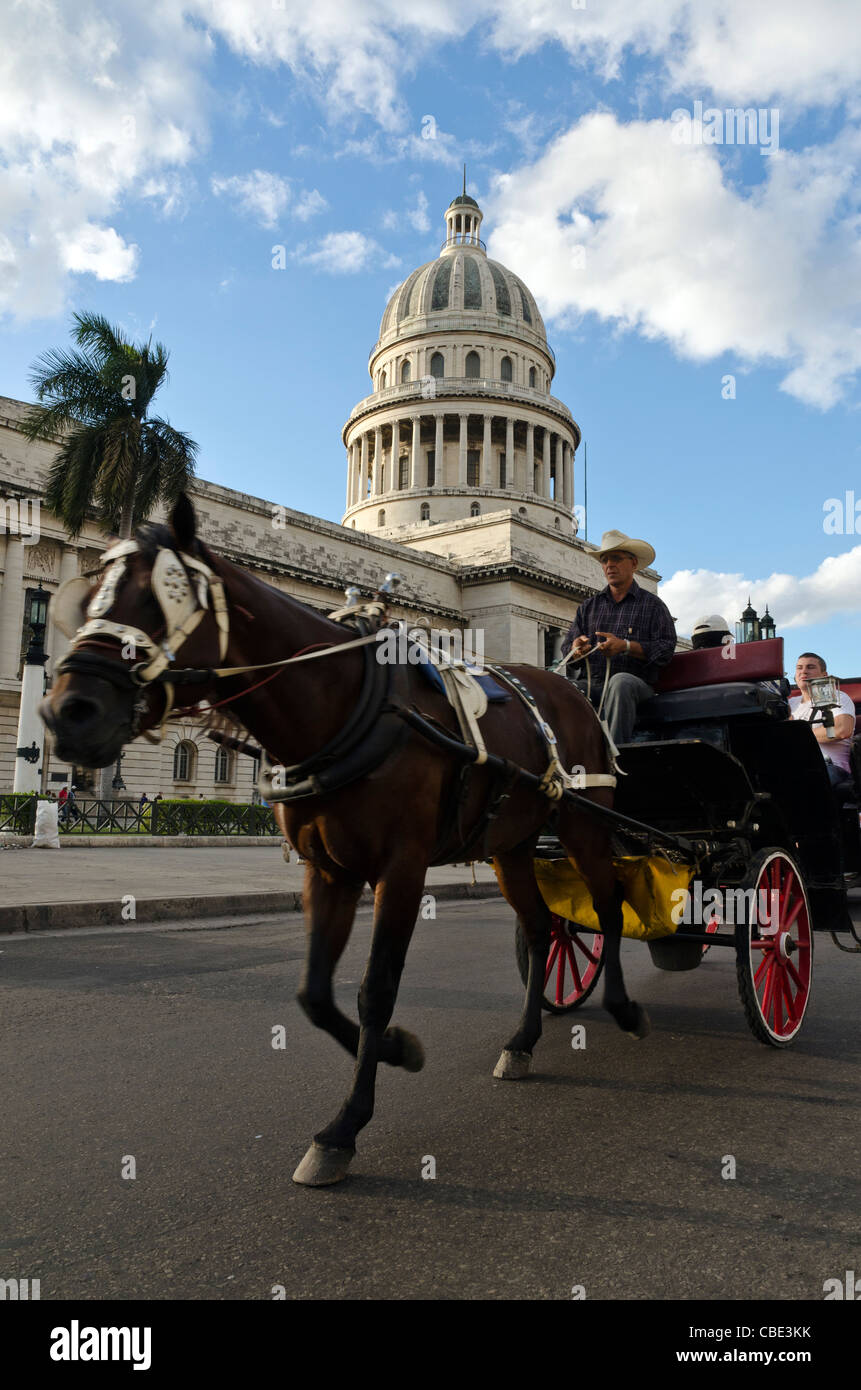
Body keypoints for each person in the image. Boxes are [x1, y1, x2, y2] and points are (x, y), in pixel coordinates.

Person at [561, 529, 676, 744]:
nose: (609, 565)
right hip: (591, 683)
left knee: (620, 683)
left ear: (633, 563)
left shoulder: (653, 606)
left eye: (616, 558)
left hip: (635, 684)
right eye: (604, 560)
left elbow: (665, 650)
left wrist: (625, 646)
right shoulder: (588, 607)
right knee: (560, 687)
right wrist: (576, 649)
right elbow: (568, 649)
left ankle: (614, 756)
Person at [790, 652, 856, 790]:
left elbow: (841, 730)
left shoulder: (837, 697)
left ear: (824, 675)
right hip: (793, 765)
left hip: (830, 766)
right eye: (799, 668)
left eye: (810, 667)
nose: (804, 672)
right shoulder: (789, 704)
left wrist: (798, 735)